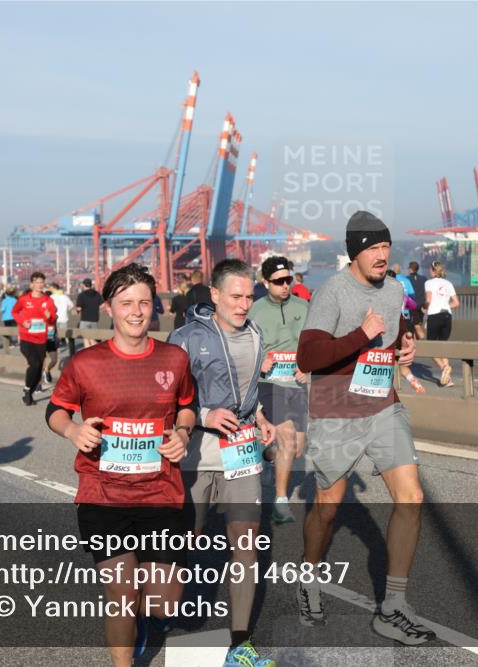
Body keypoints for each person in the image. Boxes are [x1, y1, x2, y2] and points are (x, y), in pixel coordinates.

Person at [295, 211, 435, 645]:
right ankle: (308, 576)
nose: (381, 255)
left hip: (381, 406)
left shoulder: (393, 289)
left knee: (411, 497)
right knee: (328, 508)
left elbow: (394, 332)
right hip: (336, 410)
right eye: (373, 248)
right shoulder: (332, 292)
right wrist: (361, 333)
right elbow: (307, 357)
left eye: (386, 246)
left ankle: (393, 607)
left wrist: (404, 347)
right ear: (355, 252)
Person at [47, 263, 195, 666]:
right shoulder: (86, 363)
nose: (136, 311)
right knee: (121, 593)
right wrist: (73, 430)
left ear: (155, 307)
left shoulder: (174, 359)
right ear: (109, 308)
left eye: (144, 302)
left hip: (161, 492)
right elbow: (55, 411)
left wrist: (183, 434)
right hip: (103, 494)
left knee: (164, 604)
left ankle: (141, 619)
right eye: (126, 303)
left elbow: (187, 406)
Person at [167, 258, 277, 667]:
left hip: (241, 453)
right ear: (214, 294)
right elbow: (167, 398)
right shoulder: (185, 338)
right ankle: (146, 611)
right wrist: (205, 413)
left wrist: (261, 418)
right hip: (196, 452)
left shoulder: (256, 333)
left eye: (249, 296)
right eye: (235, 296)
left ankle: (240, 643)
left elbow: (248, 392)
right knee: (184, 542)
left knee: (246, 541)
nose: (244, 304)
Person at [250, 256, 309, 524]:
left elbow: (313, 344)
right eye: (278, 282)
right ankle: (281, 502)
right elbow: (242, 346)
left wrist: (309, 367)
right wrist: (258, 363)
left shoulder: (303, 307)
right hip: (269, 383)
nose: (285, 285)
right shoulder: (254, 310)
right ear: (266, 283)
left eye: (288, 280)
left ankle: (266, 456)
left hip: (296, 383)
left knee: (296, 449)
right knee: (287, 435)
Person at [12, 272, 57, 406]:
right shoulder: (24, 299)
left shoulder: (48, 301)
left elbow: (53, 319)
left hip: (41, 339)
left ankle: (28, 392)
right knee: (35, 364)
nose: (39, 285)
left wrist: (50, 317)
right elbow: (14, 312)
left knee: (38, 369)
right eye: (37, 282)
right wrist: (22, 322)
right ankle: (27, 390)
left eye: (41, 282)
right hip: (26, 337)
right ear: (32, 284)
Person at [387, 270, 425, 394]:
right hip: (403, 328)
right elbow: (413, 306)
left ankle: (386, 389)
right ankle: (413, 380)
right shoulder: (402, 295)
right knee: (403, 365)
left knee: (388, 362)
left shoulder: (381, 294)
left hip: (389, 331)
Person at [424, 260, 460, 388]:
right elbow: (456, 303)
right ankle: (448, 380)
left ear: (433, 271)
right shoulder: (448, 283)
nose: (429, 271)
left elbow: (428, 300)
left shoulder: (429, 283)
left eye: (430, 269)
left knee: (430, 348)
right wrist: (446, 305)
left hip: (434, 316)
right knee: (442, 347)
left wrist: (423, 308)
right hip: (447, 316)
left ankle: (444, 368)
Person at [45, 282, 75, 382]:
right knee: (62, 337)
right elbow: (71, 306)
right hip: (63, 319)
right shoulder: (64, 296)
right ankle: (40, 381)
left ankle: (47, 369)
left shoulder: (51, 298)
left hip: (53, 324)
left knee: (54, 337)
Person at [406, 261, 427, 340]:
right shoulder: (424, 279)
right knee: (418, 324)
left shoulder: (407, 279)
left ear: (410, 269)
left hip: (412, 306)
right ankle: (418, 343)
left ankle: (423, 341)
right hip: (421, 306)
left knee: (415, 325)